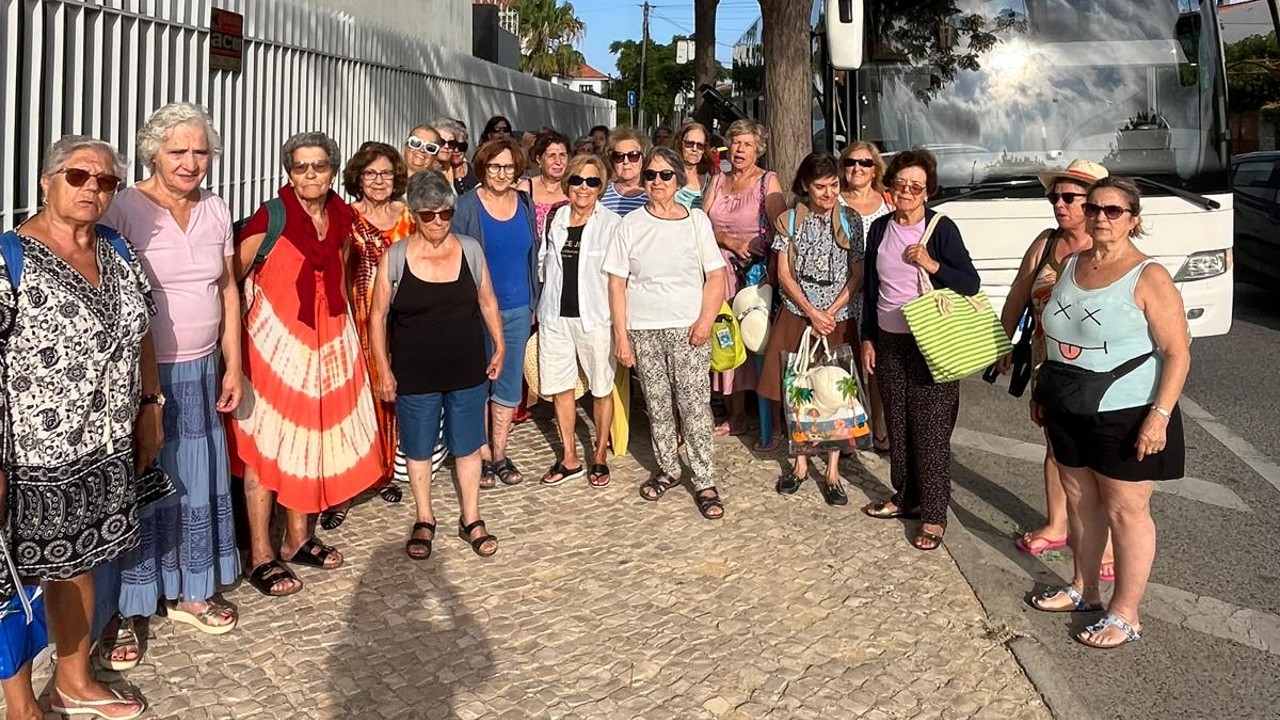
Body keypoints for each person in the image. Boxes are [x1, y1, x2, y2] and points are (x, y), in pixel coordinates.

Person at [0, 135, 156, 719]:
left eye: (106, 181)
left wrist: (151, 406)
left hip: (104, 446)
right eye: (77, 176)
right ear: (46, 182)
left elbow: (141, 330)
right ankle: (20, 706)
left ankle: (72, 679)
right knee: (8, 581)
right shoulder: (10, 256)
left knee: (79, 563)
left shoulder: (116, 249)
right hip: (30, 457)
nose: (93, 188)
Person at [91, 104, 242, 675]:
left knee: (194, 479)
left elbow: (227, 289)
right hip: (139, 378)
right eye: (178, 151)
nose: (191, 162)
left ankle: (191, 589)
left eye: (201, 151)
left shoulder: (216, 208)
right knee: (141, 484)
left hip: (202, 370)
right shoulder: (126, 208)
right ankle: (123, 610)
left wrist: (235, 364)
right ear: (153, 151)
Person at [1030, 178, 1190, 650]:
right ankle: (1084, 588)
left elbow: (1178, 353)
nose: (1101, 216)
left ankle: (1126, 613)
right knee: (1079, 501)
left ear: (1133, 220)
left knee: (1127, 511)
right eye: (1094, 207)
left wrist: (1159, 416)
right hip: (1067, 402)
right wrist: (1043, 388)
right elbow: (1055, 335)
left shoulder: (1149, 276)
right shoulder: (1073, 264)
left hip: (1128, 410)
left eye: (1114, 211)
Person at [230, 132, 382, 597]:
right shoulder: (270, 219)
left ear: (333, 169)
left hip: (326, 344)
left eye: (319, 166)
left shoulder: (340, 216)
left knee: (309, 441)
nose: (311, 174)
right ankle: (260, 553)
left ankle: (298, 538)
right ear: (289, 172)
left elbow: (338, 270)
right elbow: (230, 281)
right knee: (264, 448)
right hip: (271, 349)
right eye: (301, 167)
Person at [369, 171, 504, 560]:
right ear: (414, 215)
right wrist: (384, 370)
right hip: (415, 372)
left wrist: (499, 346)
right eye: (428, 215)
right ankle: (424, 517)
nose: (438, 222)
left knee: (467, 446)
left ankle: (471, 517)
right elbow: (377, 317)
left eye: (445, 214)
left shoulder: (470, 250)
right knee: (418, 447)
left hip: (466, 368)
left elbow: (488, 301)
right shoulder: (395, 258)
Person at [999, 159, 1115, 581]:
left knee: (1098, 455)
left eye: (1069, 197)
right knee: (1056, 444)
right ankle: (1057, 524)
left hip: (1096, 369)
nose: (1059, 205)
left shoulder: (1106, 247)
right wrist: (1002, 343)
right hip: (1049, 363)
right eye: (1055, 197)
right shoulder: (1047, 243)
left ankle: (1104, 545)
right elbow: (1017, 292)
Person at [859, 148, 979, 552]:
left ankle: (933, 515)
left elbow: (970, 283)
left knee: (931, 432)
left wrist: (932, 264)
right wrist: (868, 337)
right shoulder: (879, 229)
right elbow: (872, 289)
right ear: (889, 187)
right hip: (890, 340)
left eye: (916, 186)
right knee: (899, 425)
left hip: (933, 342)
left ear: (928, 191)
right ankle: (904, 496)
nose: (907, 192)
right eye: (901, 184)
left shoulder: (941, 229)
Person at [605, 147, 727, 520]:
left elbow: (716, 276)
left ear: (678, 179)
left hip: (689, 327)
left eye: (664, 175)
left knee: (694, 405)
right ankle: (669, 468)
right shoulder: (629, 226)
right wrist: (622, 338)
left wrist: (705, 321)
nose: (657, 182)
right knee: (658, 405)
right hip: (644, 329)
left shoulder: (696, 221)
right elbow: (616, 283)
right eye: (651, 175)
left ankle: (704, 477)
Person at [315, 141, 416, 532]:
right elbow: (335, 270)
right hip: (355, 319)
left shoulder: (407, 216)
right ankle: (342, 488)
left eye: (386, 173)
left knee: (389, 398)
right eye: (371, 173)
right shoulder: (344, 216)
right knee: (351, 402)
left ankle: (383, 471)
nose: (378, 181)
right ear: (358, 177)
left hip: (402, 322)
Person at [760, 153, 864, 506]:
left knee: (836, 389)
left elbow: (858, 271)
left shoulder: (851, 220)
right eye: (821, 187)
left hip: (838, 311)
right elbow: (785, 273)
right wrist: (810, 311)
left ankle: (833, 470)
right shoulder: (788, 221)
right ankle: (800, 464)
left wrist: (830, 312)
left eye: (834, 185)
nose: (828, 193)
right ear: (805, 185)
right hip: (798, 310)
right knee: (797, 387)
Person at [450, 137, 539, 488]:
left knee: (507, 383)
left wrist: (532, 301)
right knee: (477, 383)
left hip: (517, 307)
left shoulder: (525, 203)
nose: (501, 173)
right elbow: (455, 258)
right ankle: (481, 453)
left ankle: (500, 451)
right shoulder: (466, 206)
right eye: (494, 166)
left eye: (508, 167)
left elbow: (531, 255)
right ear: (482, 169)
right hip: (476, 310)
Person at [537, 153, 621, 488]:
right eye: (576, 180)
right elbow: (545, 264)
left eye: (592, 182)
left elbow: (619, 279)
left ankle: (599, 455)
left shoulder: (612, 224)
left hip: (596, 318)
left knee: (601, 387)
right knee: (561, 388)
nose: (583, 188)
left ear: (601, 187)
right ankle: (569, 456)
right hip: (555, 317)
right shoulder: (555, 218)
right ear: (566, 182)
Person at [702, 119, 785, 440]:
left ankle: (770, 422)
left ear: (758, 150)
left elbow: (781, 227)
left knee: (759, 343)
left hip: (755, 275)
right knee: (727, 341)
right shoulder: (718, 180)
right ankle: (735, 414)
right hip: (719, 273)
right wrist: (728, 240)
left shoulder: (768, 181)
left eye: (747, 144)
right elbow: (701, 224)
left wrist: (774, 269)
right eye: (735, 142)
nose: (739, 149)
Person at [838, 141, 893, 452]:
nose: (856, 169)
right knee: (846, 363)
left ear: (875, 169)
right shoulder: (833, 200)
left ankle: (879, 424)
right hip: (843, 294)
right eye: (850, 162)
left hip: (878, 294)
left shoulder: (888, 201)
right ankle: (847, 429)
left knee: (876, 366)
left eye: (864, 163)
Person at [519, 130, 572, 242]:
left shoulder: (574, 188)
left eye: (562, 155)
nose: (558, 161)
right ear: (539, 159)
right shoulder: (526, 189)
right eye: (551, 156)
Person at [600, 127, 650, 216]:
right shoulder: (601, 194)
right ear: (612, 161)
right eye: (619, 156)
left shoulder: (652, 195)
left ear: (643, 158)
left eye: (633, 156)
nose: (626, 162)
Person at [673, 122, 714, 210]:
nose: (694, 149)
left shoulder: (711, 177)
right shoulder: (668, 173)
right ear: (680, 144)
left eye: (700, 146)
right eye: (689, 144)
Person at [433, 117, 479, 194]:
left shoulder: (447, 170)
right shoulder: (424, 168)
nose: (447, 146)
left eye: (451, 143)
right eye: (441, 142)